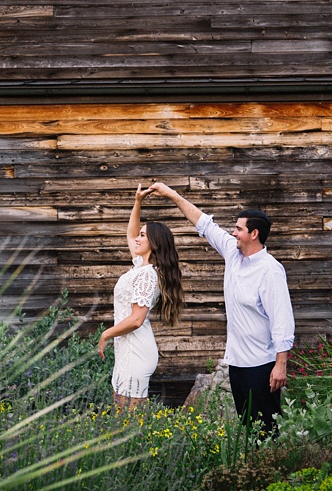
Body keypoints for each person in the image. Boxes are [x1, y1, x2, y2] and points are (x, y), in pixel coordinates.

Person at [147, 182, 294, 435]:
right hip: (236, 364)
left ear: (254, 234)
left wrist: (281, 364)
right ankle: (253, 472)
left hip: (262, 366)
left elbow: (282, 319)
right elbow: (203, 222)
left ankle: (274, 472)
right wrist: (171, 194)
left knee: (267, 432)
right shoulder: (232, 253)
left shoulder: (270, 270)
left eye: (238, 229)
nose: (233, 233)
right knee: (249, 430)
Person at [96, 184, 184, 407]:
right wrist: (137, 202)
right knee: (122, 412)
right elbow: (131, 233)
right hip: (127, 348)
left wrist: (106, 334)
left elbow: (136, 320)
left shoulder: (147, 275)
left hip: (136, 351)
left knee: (131, 418)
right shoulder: (140, 267)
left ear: (153, 244)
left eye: (143, 236)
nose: (137, 238)